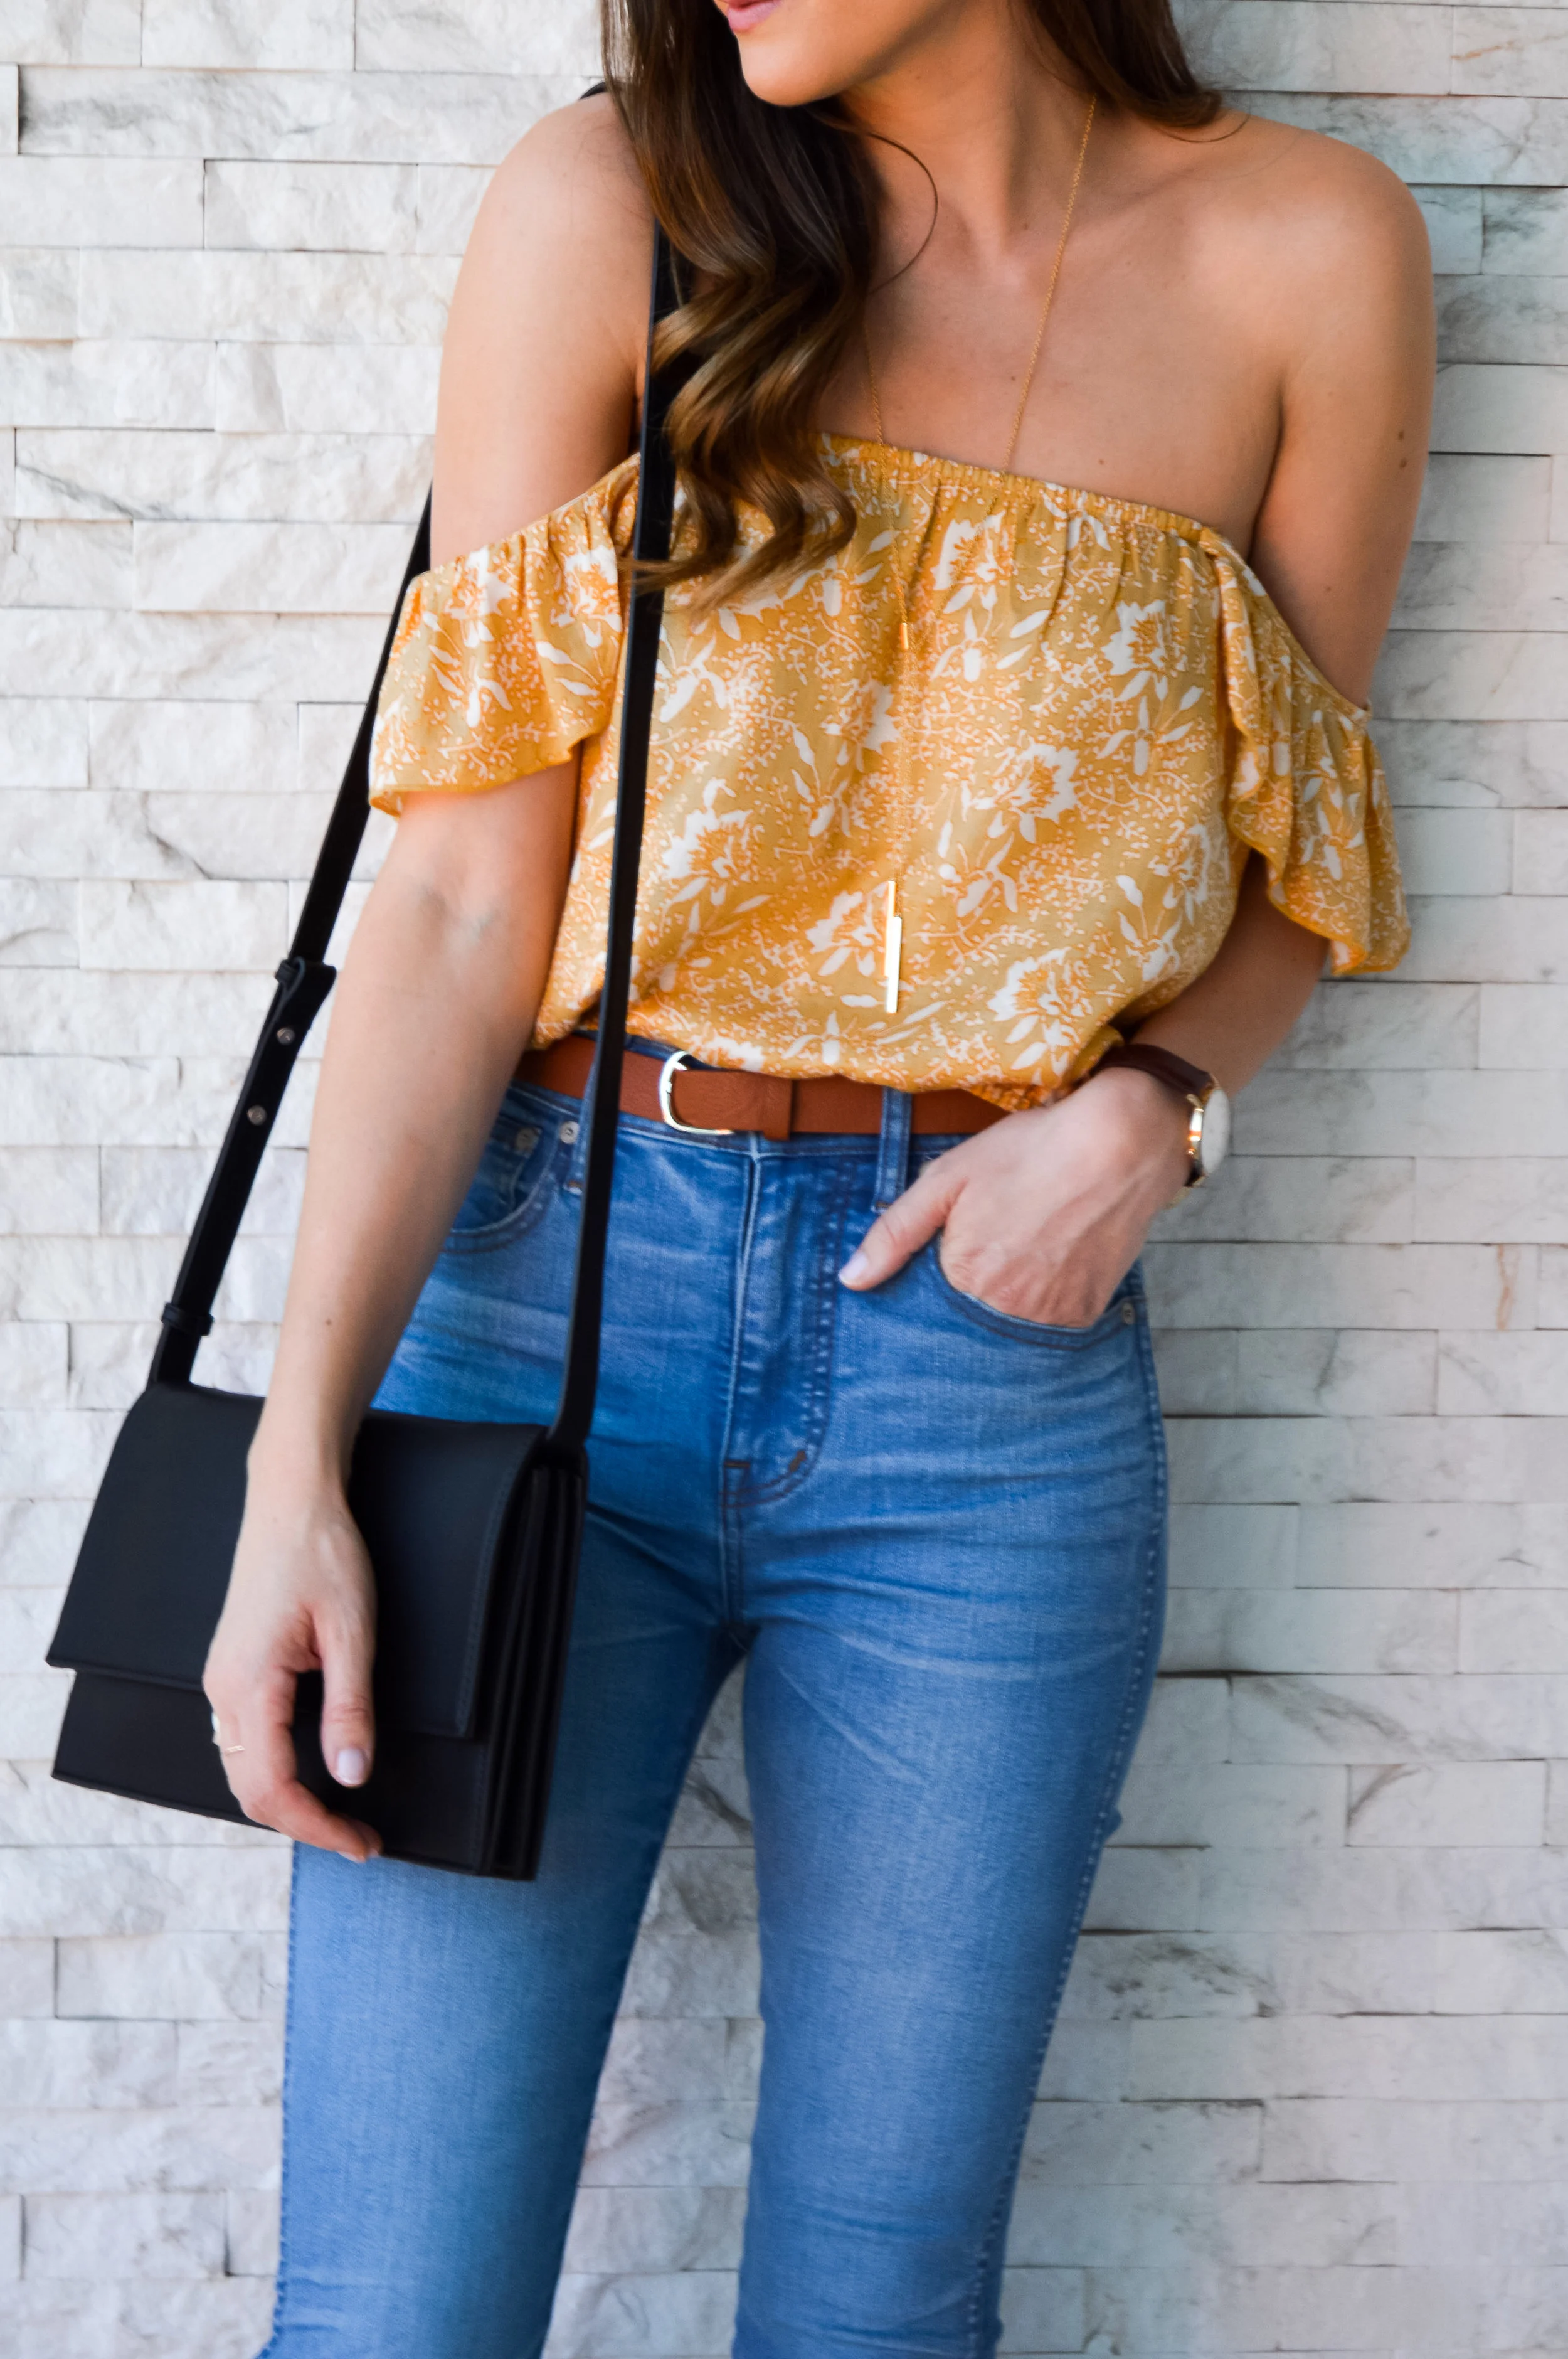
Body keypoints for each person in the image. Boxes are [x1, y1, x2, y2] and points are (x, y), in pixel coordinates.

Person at [206, 1, 1432, 2351]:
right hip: (540, 1315)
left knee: (881, 2314)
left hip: (984, 1388)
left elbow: (1315, 843)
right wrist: (294, 1459)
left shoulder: (1308, 250)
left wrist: (1152, 1114)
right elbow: (462, 906)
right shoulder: (613, 205)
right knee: (394, 2314)